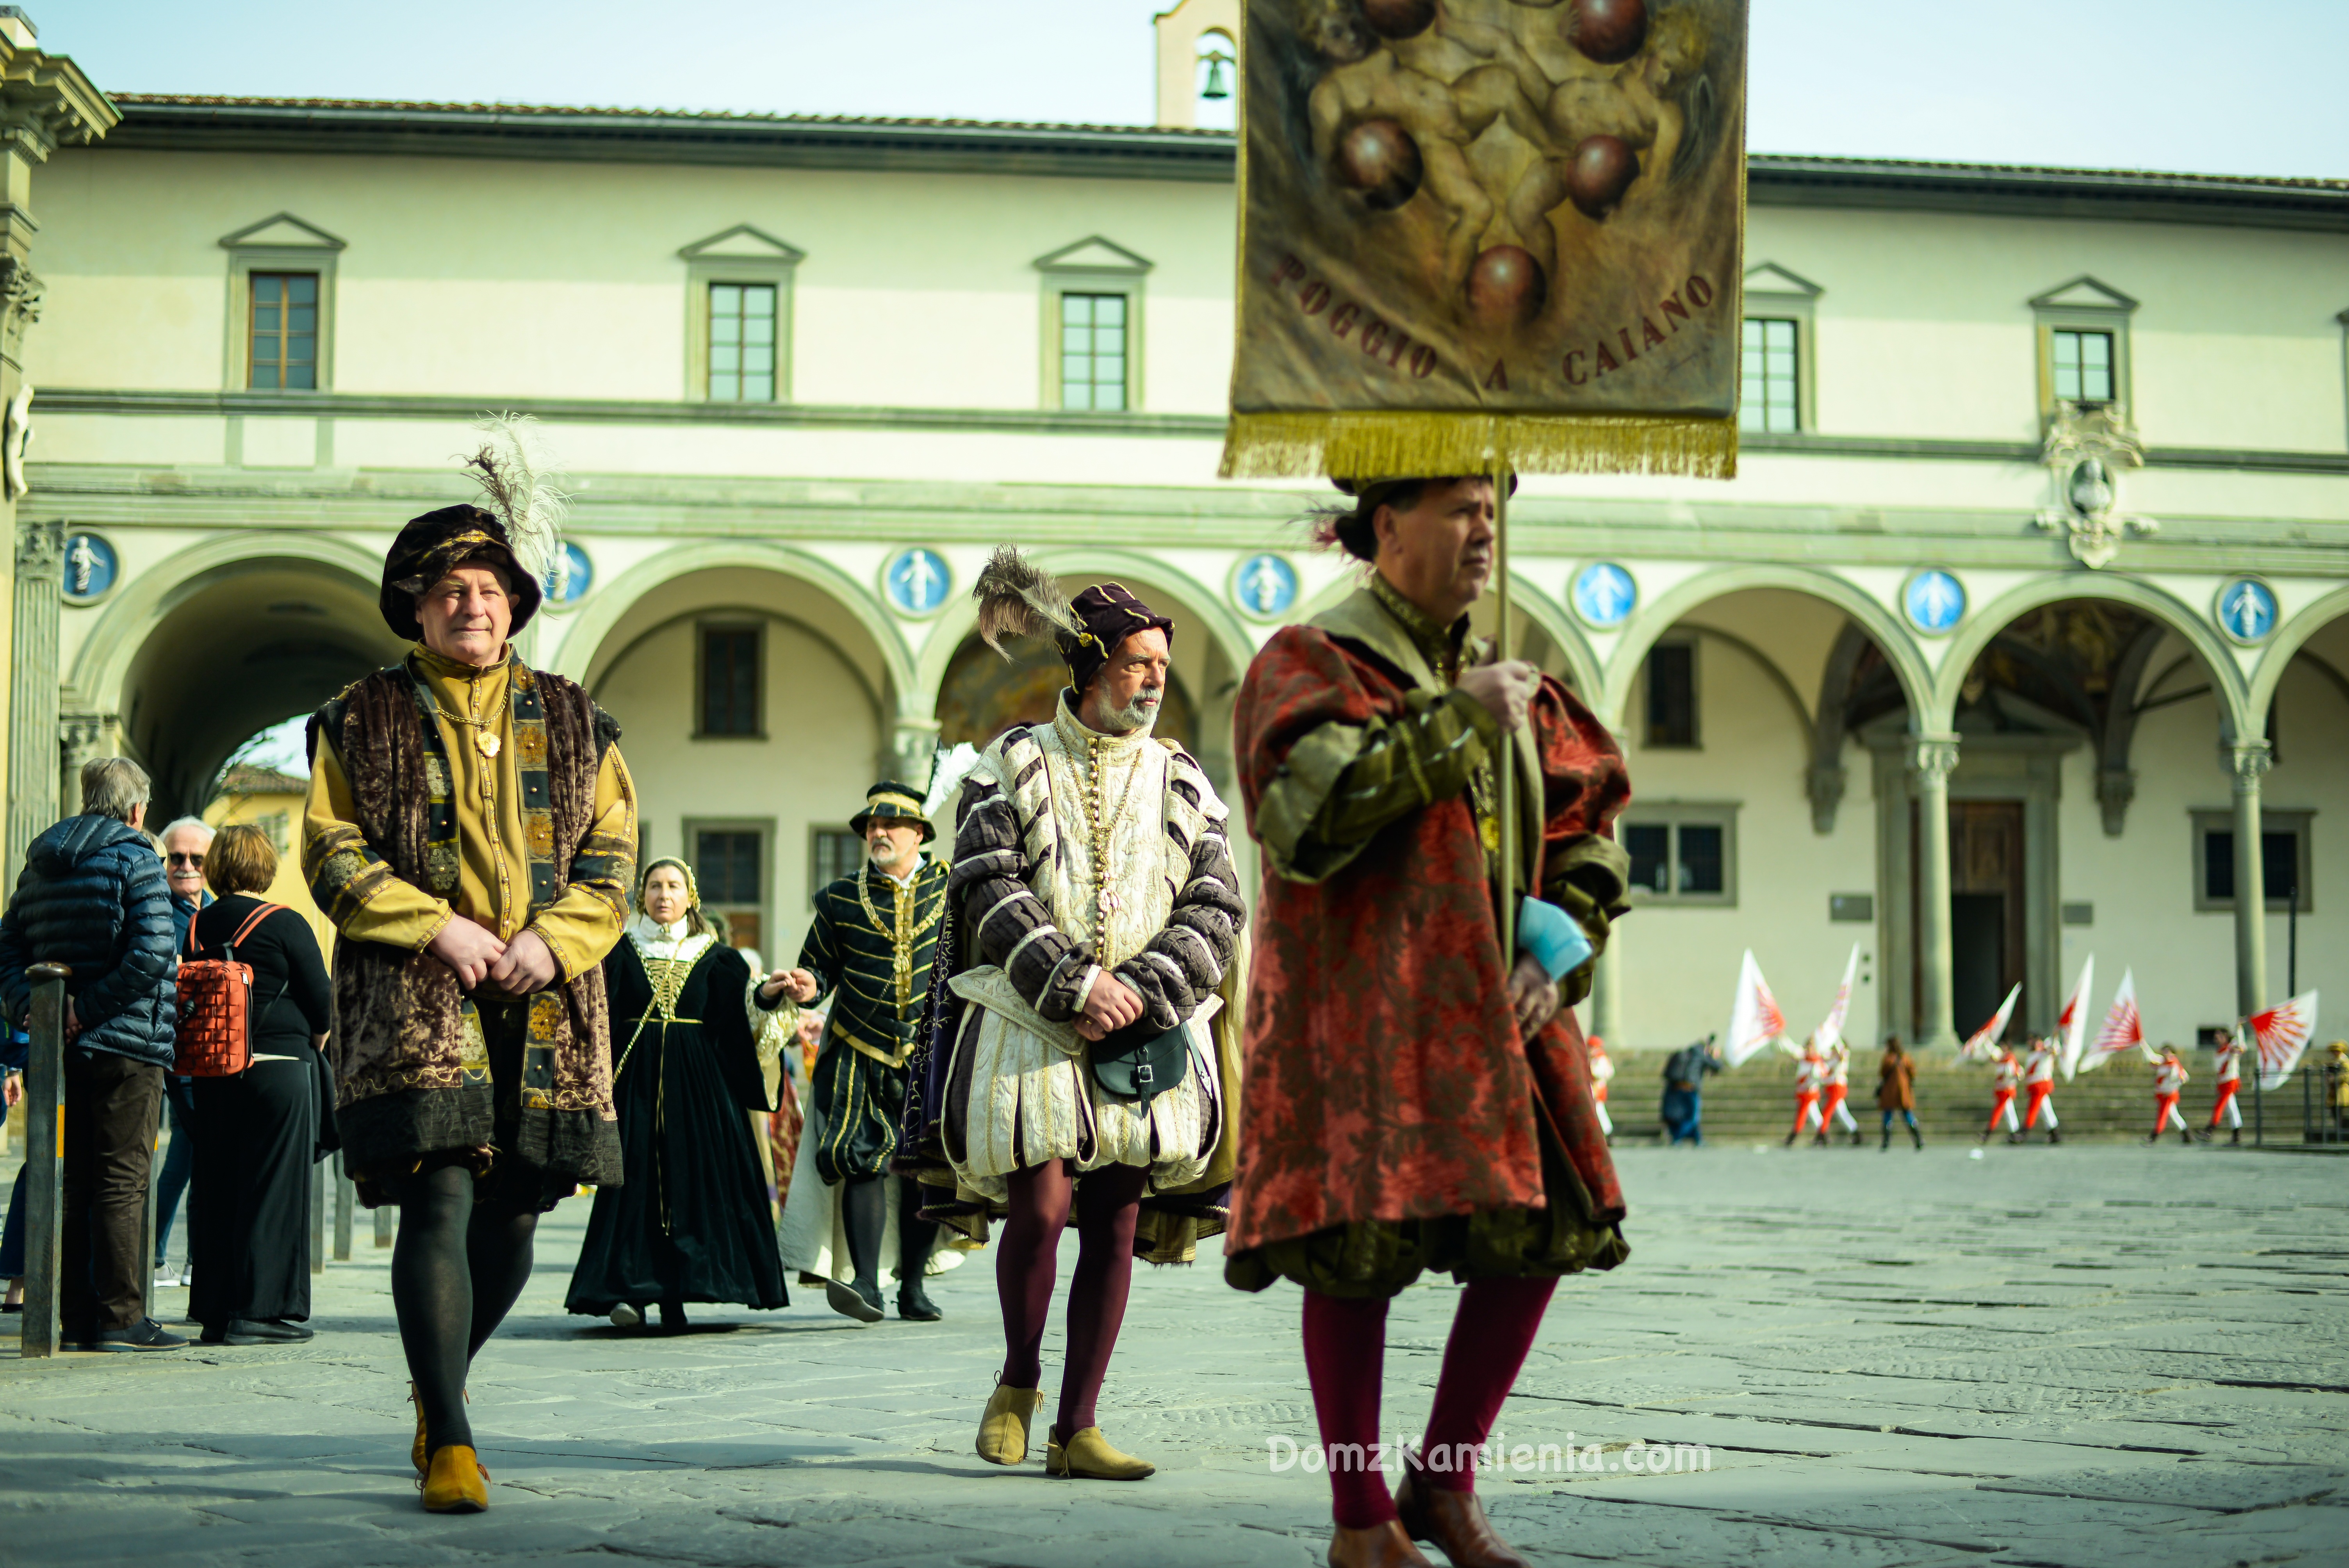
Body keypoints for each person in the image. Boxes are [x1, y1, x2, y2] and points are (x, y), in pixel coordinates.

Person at [1226, 475, 1631, 1568]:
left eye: (1492, 507)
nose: (1485, 527)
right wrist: (1456, 724)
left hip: (1502, 1011)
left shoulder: (1515, 679)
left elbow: (1588, 828)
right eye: (1460, 506)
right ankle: (1361, 1524)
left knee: (1547, 1230)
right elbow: (1307, 820)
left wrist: (1568, 942)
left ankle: (1443, 1484)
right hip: (1368, 1014)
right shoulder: (1310, 661)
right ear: (1387, 526)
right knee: (1354, 1252)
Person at [302, 481, 636, 1513]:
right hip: (417, 990)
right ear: (416, 606)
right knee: (439, 1195)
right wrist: (432, 925)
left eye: (487, 589)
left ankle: (437, 1380)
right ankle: (450, 1435)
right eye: (450, 590)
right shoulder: (359, 715)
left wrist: (557, 940)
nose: (471, 606)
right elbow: (328, 845)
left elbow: (615, 851)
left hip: (546, 996)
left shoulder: (579, 714)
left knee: (516, 1218)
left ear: (515, 603)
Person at [929, 551, 1246, 1482]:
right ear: (1089, 664)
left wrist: (1144, 987)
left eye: (1161, 665)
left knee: (1114, 1220)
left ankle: (1078, 1425)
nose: (1153, 681)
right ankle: (1019, 1379)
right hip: (1032, 1016)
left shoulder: (1184, 776)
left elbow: (1217, 903)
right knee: (1043, 1200)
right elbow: (986, 885)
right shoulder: (1015, 760)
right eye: (1136, 662)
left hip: (1147, 1023)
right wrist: (1073, 981)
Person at [0, 756, 186, 1351]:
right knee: (124, 1177)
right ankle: (122, 1317)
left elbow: (6, 947)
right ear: (137, 810)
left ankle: (76, 1317)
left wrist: (36, 1008)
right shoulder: (137, 858)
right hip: (128, 1042)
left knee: (75, 1179)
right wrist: (91, 1008)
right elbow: (155, 949)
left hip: (61, 1046)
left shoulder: (38, 863)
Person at [565, 859, 791, 1330]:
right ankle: (629, 1292)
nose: (663, 895)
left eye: (673, 886)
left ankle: (682, 1289)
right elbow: (595, 1016)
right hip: (635, 1087)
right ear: (641, 895)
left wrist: (768, 993)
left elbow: (740, 1016)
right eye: (654, 886)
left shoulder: (718, 956)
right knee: (634, 1183)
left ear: (691, 896)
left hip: (699, 1089)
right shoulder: (617, 949)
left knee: (695, 1180)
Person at [773, 782, 954, 1324]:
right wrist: (807, 987)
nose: (876, 834)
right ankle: (866, 1284)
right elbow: (819, 970)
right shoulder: (839, 898)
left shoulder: (954, 889)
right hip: (858, 1045)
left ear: (918, 834)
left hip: (933, 1049)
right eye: (870, 828)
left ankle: (914, 1288)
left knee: (927, 1169)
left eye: (889, 826)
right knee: (861, 1162)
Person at [184, 824, 333, 1345]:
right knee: (273, 1188)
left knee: (218, 1187)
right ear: (266, 866)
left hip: (213, 1072)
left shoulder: (196, 926)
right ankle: (261, 1311)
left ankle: (215, 1311)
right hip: (278, 1069)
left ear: (216, 867)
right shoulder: (284, 923)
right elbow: (323, 1002)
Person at [153, 816, 214, 1288]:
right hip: (176, 1047)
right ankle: (186, 1260)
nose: (187, 866)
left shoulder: (214, 910)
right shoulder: (159, 911)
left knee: (186, 1154)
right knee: (199, 1153)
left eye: (197, 858)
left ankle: (164, 1257)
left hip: (211, 1049)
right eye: (177, 858)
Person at [1660, 1035, 1718, 1146]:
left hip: (1678, 1087)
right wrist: (1715, 1056)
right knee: (1693, 1118)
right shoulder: (1701, 1053)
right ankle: (1678, 1138)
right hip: (1691, 1088)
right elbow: (1717, 1066)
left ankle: (1698, 1139)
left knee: (1688, 1116)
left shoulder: (1689, 1053)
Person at [1815, 1037, 1862, 1146]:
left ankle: (1822, 1134)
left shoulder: (1844, 1055)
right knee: (1842, 1113)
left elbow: (1842, 1055)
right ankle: (1855, 1132)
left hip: (1838, 1087)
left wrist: (1835, 1038)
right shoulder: (1832, 1057)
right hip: (1832, 1087)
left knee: (1828, 1111)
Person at [2200, 1032, 2244, 1144]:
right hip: (2223, 1082)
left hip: (2230, 1082)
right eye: (2216, 1037)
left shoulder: (2231, 1049)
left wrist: (2239, 1029)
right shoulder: (2220, 1052)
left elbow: (2241, 1045)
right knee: (2232, 1108)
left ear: (2226, 1038)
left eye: (2220, 1037)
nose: (2217, 1039)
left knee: (2220, 1107)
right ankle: (2236, 1133)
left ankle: (2210, 1130)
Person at [1878, 1035, 1922, 1150]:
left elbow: (1883, 1073)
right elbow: (1912, 1072)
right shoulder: (1905, 1058)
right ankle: (1918, 1138)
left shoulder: (1888, 1059)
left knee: (1888, 1115)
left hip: (1890, 1091)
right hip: (1903, 1091)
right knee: (1908, 1114)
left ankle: (1886, 1141)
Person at [2021, 1036, 2063, 1144]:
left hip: (2040, 1085)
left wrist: (2053, 1042)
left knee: (2034, 1108)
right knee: (2045, 1109)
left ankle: (2024, 1131)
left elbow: (2052, 1051)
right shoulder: (2032, 1055)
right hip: (2035, 1084)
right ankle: (2054, 1132)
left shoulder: (2042, 1053)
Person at [1782, 1038, 1822, 1147]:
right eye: (1808, 1047)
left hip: (1809, 1092)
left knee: (1803, 1115)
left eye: (1811, 1047)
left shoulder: (1816, 1061)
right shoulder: (1804, 1059)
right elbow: (1793, 1052)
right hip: (1803, 1091)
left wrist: (1811, 1081)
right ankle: (1823, 1136)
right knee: (1814, 1116)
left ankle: (1792, 1137)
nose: (1809, 1049)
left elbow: (1819, 1075)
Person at [1980, 1044, 2022, 1146]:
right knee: (2009, 1112)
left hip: (2006, 1090)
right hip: (2003, 1090)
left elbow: (2013, 1074)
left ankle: (1988, 1133)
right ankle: (2015, 1133)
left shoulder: (2009, 1060)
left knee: (1998, 1112)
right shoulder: (2004, 1060)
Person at [2149, 1045, 2190, 1145]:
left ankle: (2154, 1135)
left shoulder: (2174, 1065)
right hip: (2163, 1092)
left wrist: (2174, 1087)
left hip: (2169, 1094)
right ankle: (2187, 1135)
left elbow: (2183, 1078)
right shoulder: (2163, 1063)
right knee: (2174, 1116)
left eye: (2168, 1052)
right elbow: (2152, 1061)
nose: (2166, 1054)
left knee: (2163, 1115)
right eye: (2164, 1052)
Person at [1587, 1033, 1614, 1140]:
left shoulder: (1601, 1059)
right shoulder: (1594, 1058)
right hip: (1594, 1087)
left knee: (1599, 1110)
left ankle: (1608, 1133)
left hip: (1598, 1087)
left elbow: (1602, 1073)